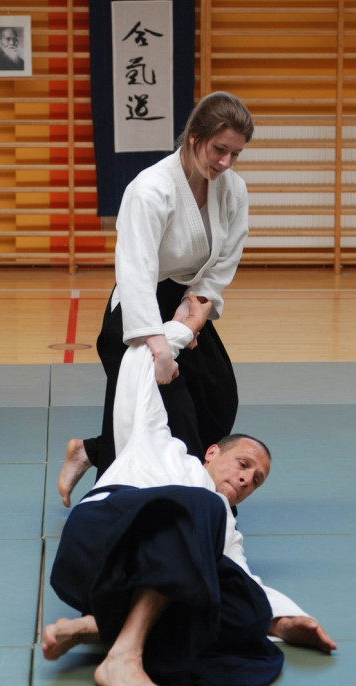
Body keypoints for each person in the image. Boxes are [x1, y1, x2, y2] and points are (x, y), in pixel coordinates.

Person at [44, 294, 336, 686]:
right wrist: (184, 330)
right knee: (202, 506)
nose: (245, 479)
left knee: (244, 606)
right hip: (100, 540)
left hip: (120, 587)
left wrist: (286, 622)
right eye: (243, 464)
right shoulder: (162, 447)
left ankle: (97, 629)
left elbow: (242, 577)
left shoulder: (223, 526)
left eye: (256, 480)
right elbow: (140, 368)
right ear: (212, 452)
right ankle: (123, 656)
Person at [58, 91, 255, 507]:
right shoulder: (150, 190)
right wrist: (158, 343)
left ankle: (92, 452)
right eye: (219, 150)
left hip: (188, 300)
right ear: (193, 137)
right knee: (160, 409)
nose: (226, 163)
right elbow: (135, 271)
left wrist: (197, 309)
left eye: (235, 154)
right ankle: (182, 501)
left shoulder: (232, 189)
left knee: (219, 397)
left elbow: (226, 256)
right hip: (138, 307)